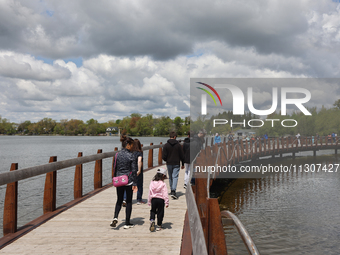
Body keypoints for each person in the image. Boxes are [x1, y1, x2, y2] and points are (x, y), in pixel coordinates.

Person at [110, 135, 138, 229]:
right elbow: (134, 170)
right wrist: (135, 183)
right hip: (128, 180)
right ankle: (127, 222)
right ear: (128, 145)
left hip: (118, 180)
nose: (133, 147)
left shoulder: (117, 154)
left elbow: (115, 167)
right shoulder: (131, 155)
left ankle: (115, 217)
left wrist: (114, 177)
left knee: (119, 200)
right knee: (129, 201)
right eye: (132, 145)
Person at [162, 131, 185, 200]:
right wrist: (183, 163)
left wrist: (167, 160)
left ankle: (172, 189)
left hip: (169, 163)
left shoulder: (166, 145)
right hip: (176, 163)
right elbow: (182, 155)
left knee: (170, 177)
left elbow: (163, 156)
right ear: (175, 137)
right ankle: (173, 190)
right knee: (175, 177)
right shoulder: (178, 145)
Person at [148, 168, 169, 232]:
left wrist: (149, 201)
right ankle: (159, 225)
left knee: (153, 211)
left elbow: (150, 192)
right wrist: (167, 202)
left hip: (153, 199)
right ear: (163, 176)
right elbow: (165, 193)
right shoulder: (163, 184)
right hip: (161, 200)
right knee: (160, 212)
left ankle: (152, 220)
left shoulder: (152, 182)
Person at [133, 139, 145, 204]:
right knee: (139, 185)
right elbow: (139, 160)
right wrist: (139, 170)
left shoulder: (130, 152)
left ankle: (125, 199)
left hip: (131, 170)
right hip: (137, 170)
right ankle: (139, 199)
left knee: (129, 184)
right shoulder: (139, 152)